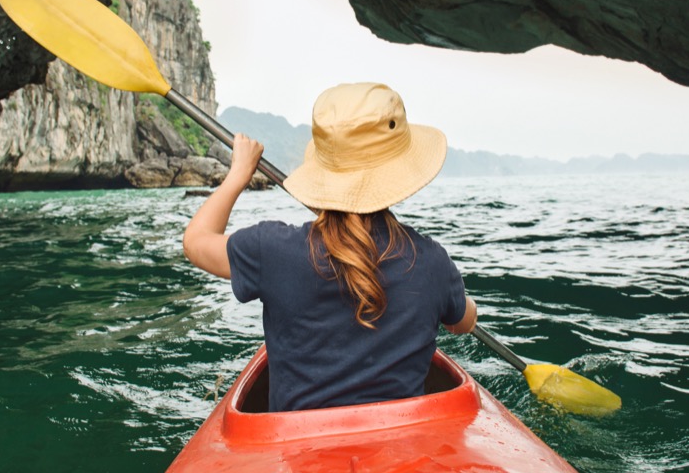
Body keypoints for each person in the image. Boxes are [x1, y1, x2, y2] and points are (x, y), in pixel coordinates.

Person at [183, 82, 477, 412]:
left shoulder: (271, 250)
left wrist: (238, 174)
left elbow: (195, 241)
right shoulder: (432, 262)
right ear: (401, 170)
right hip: (399, 446)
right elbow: (463, 323)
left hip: (298, 452)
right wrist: (450, 294)